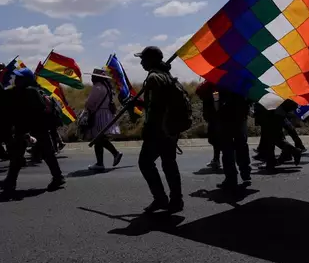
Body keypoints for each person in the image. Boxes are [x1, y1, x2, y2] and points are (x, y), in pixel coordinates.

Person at [132, 46, 184, 213]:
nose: (141, 62)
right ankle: (176, 201)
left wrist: (149, 130)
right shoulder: (167, 76)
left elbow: (154, 108)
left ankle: (160, 199)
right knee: (169, 165)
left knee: (145, 163)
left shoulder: (154, 78)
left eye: (143, 59)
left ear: (151, 60)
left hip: (158, 131)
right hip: (170, 129)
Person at [0, 68, 65, 192]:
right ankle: (10, 181)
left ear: (26, 80)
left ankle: (58, 177)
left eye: (19, 78)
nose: (16, 80)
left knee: (45, 154)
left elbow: (28, 112)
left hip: (34, 128)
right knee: (21, 155)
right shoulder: (29, 90)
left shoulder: (29, 92)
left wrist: (26, 132)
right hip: (33, 128)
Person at [85, 69, 123, 171]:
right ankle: (101, 162)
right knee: (100, 139)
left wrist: (89, 111)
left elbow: (89, 103)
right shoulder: (107, 87)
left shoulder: (97, 87)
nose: (92, 78)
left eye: (93, 76)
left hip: (99, 114)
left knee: (98, 138)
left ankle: (113, 155)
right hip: (106, 114)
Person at [214, 86, 252, 190]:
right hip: (240, 118)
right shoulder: (242, 82)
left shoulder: (220, 82)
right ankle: (245, 174)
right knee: (242, 147)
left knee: (227, 150)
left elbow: (216, 103)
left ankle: (231, 178)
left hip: (225, 119)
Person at [196, 80, 221, 170]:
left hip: (215, 115)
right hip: (215, 115)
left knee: (216, 139)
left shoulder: (213, 83)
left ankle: (217, 160)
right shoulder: (214, 82)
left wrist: (217, 108)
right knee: (216, 139)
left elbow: (216, 96)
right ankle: (217, 159)